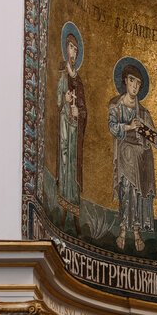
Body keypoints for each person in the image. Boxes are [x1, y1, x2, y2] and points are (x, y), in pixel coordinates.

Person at [108, 61, 157, 252]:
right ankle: (123, 230)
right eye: (132, 81)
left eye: (138, 83)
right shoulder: (116, 105)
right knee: (127, 190)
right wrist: (129, 126)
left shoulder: (144, 112)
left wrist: (147, 132)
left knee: (139, 193)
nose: (135, 86)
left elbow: (156, 139)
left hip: (141, 158)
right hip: (125, 154)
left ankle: (137, 233)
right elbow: (112, 127)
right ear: (125, 81)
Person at [56, 28, 87, 230]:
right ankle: (61, 212)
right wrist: (63, 99)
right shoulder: (61, 73)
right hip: (63, 126)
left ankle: (74, 212)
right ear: (65, 49)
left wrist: (79, 112)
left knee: (73, 166)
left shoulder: (79, 81)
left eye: (76, 49)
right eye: (70, 47)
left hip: (75, 129)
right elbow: (57, 100)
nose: (73, 52)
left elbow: (84, 108)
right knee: (64, 162)